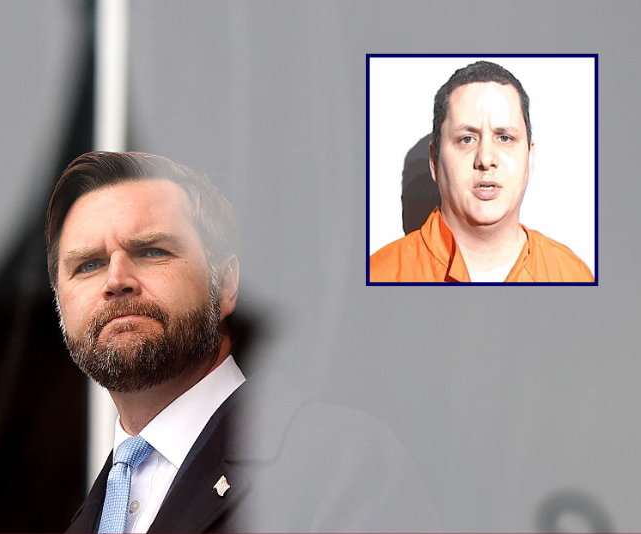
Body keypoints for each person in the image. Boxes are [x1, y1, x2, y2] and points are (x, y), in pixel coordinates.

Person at [47, 151, 440, 532]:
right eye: (89, 265)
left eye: (151, 251)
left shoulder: (345, 467)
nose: (116, 280)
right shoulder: (89, 517)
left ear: (227, 284)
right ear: (60, 300)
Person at [370, 61, 594, 283]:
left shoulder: (573, 276)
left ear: (530, 157)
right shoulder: (377, 276)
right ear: (434, 161)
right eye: (467, 139)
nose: (486, 159)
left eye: (504, 138)